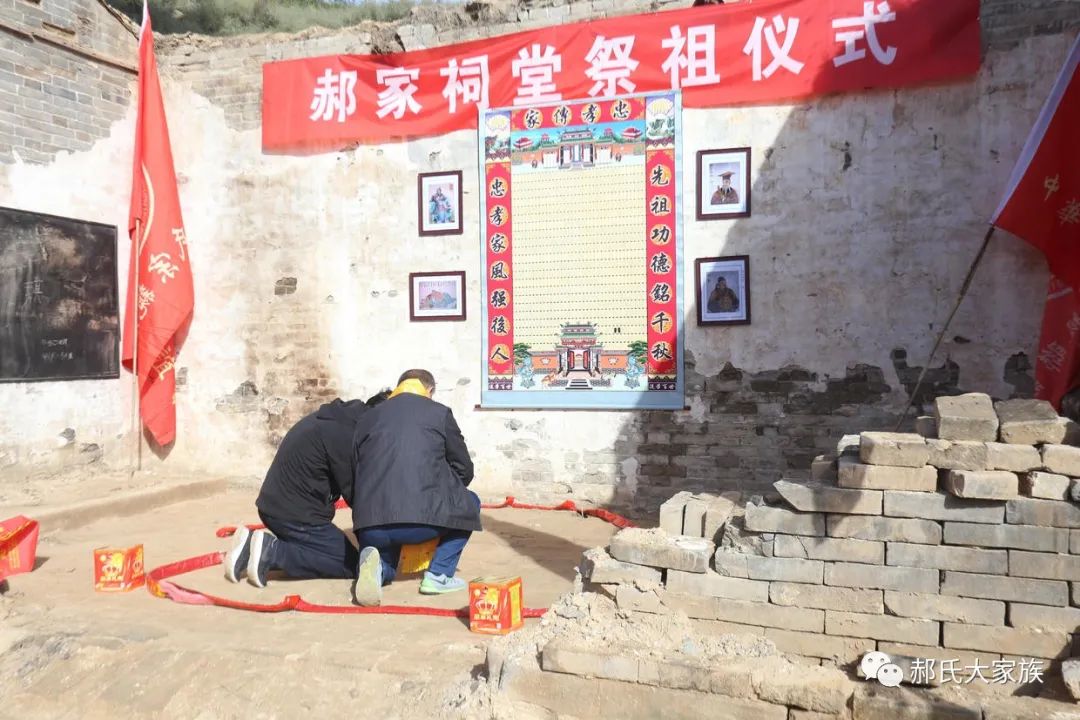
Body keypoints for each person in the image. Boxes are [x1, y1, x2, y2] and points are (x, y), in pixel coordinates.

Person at [225, 389, 391, 588]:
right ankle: (274, 552)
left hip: (276, 505)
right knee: (350, 565)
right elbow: (359, 499)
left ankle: (251, 545)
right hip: (295, 516)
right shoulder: (346, 434)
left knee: (324, 550)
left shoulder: (342, 419)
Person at [349, 369, 480, 606]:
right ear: (429, 390)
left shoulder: (368, 417)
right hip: (424, 522)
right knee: (470, 502)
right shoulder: (439, 413)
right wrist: (447, 491)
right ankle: (438, 574)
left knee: (383, 549)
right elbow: (464, 468)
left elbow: (354, 468)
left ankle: (377, 569)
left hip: (371, 525)